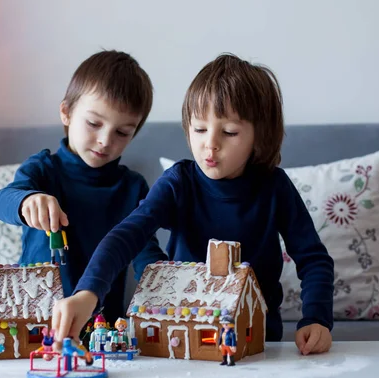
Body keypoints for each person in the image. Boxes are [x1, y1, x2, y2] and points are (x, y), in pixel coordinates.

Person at [52, 53, 335, 356]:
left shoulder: (275, 187)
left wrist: (316, 319)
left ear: (260, 137)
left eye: (229, 132)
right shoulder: (178, 183)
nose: (210, 144)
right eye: (199, 129)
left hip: (259, 344)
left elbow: (314, 259)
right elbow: (127, 235)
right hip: (180, 341)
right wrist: (88, 292)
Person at [0, 50, 167, 327]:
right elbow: (3, 201)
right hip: (34, 317)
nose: (104, 140)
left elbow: (145, 250)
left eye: (122, 132)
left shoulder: (133, 187)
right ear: (66, 112)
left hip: (102, 323)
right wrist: (28, 200)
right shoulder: (42, 169)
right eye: (94, 123)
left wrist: (168, 278)